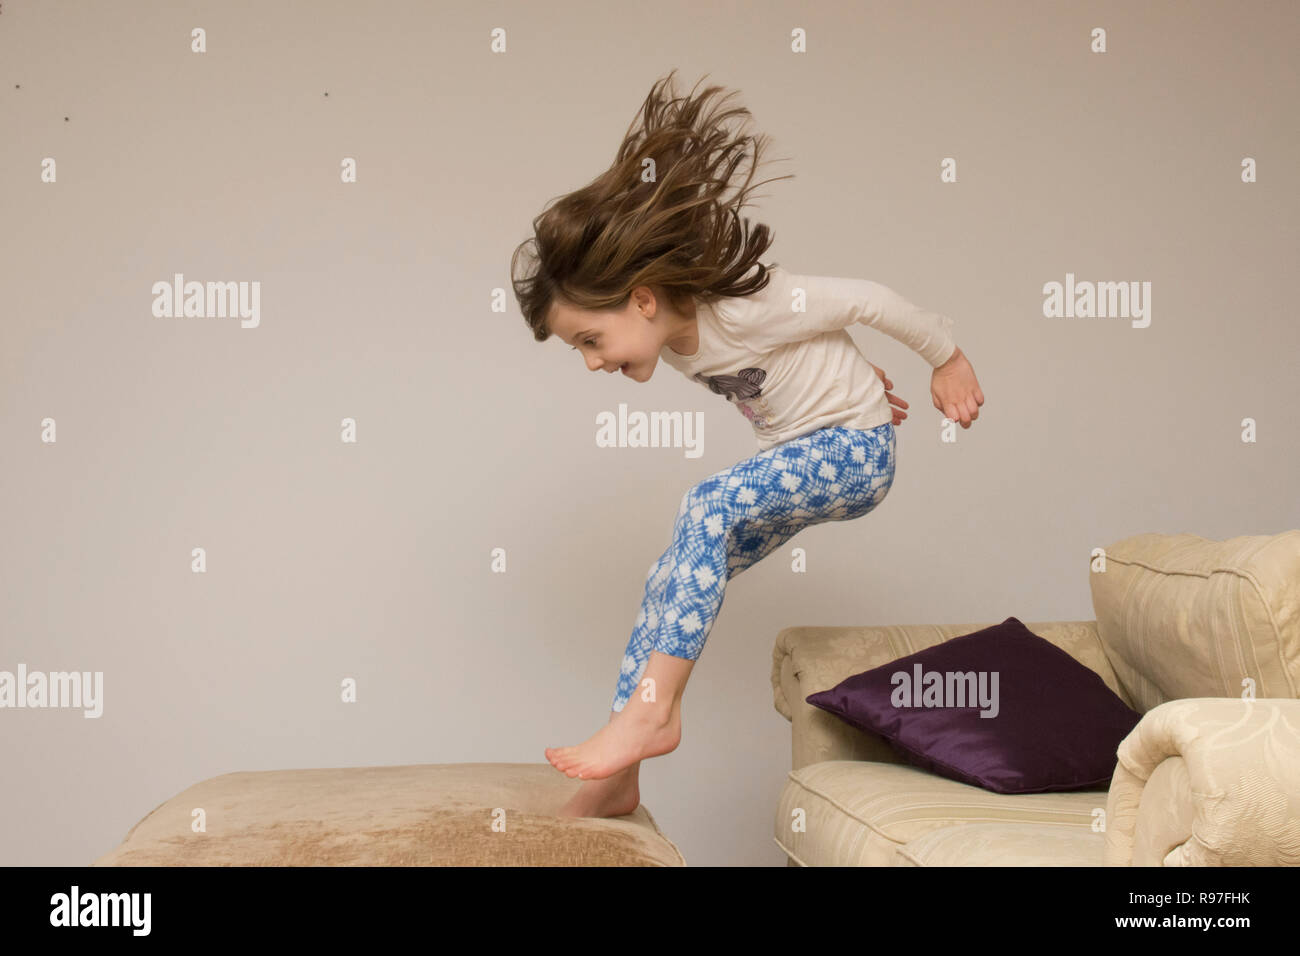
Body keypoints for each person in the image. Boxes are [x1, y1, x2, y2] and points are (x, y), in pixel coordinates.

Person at [510, 70, 984, 818]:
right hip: (805, 452)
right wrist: (853, 377)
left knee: (706, 506)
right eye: (580, 351)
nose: (593, 362)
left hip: (855, 451)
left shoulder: (750, 306)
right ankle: (621, 777)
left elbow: (869, 300)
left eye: (590, 340)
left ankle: (653, 715)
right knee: (670, 574)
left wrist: (945, 359)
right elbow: (797, 371)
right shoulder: (671, 338)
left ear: (641, 300)